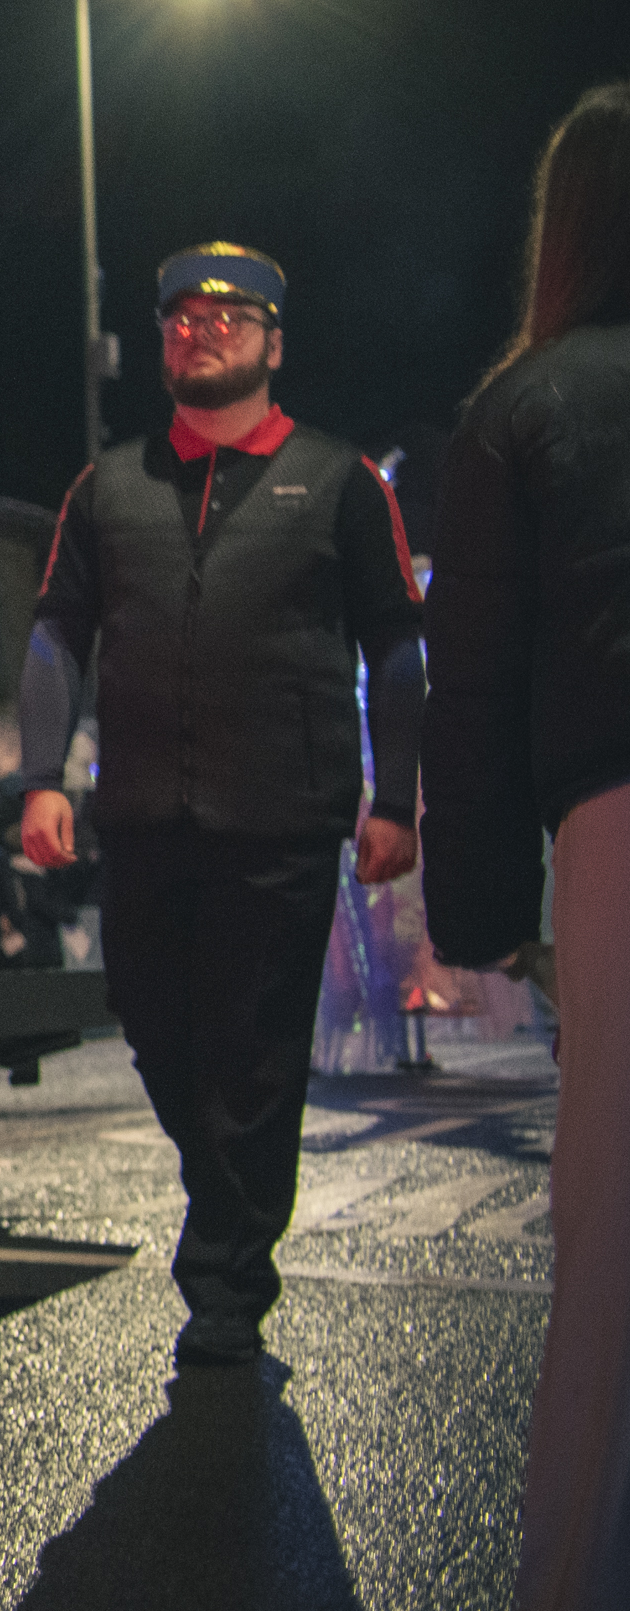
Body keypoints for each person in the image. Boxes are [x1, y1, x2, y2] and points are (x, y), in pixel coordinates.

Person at [18, 241, 424, 1369]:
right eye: (182, 316)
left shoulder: (340, 480)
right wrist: (40, 773)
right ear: (160, 340)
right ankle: (228, 1201)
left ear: (274, 340)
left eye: (230, 314)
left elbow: (396, 643)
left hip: (282, 820)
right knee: (153, 1027)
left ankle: (228, 1283)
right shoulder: (108, 486)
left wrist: (395, 793)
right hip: (143, 816)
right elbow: (57, 629)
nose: (202, 328)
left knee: (252, 1050)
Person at [419, 82, 630, 1611]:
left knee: (607, 1244)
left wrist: (495, 917)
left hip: (616, 808)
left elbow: (473, 690)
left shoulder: (522, 407)